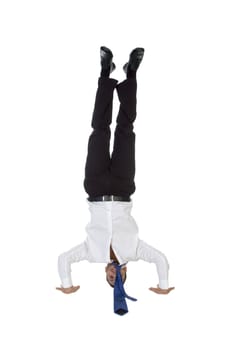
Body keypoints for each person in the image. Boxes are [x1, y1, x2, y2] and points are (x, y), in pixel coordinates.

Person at [56, 46, 175, 301]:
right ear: (125, 271)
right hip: (122, 188)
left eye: (111, 278)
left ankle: (105, 74)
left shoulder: (91, 253)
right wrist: (163, 284)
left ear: (105, 275)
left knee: (99, 129)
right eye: (119, 277)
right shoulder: (136, 251)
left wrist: (67, 284)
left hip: (96, 187)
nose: (114, 274)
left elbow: (63, 259)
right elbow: (161, 260)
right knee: (125, 129)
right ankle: (131, 75)